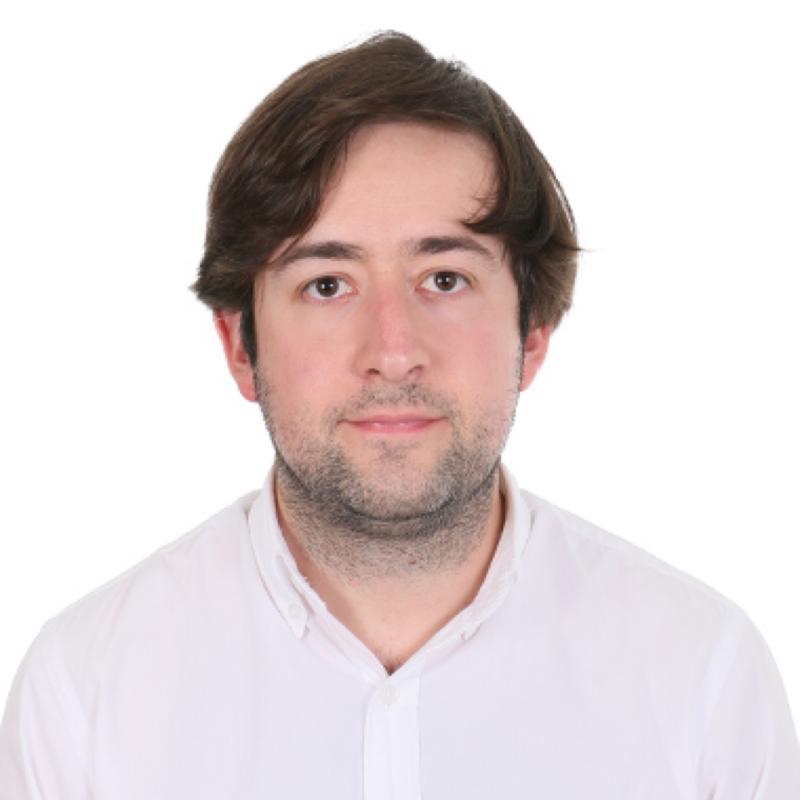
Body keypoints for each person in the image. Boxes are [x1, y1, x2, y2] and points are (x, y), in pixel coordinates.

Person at [1, 31, 798, 799]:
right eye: (327, 285)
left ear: (533, 333)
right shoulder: (84, 694)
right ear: (240, 345)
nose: (392, 351)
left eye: (444, 279)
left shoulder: (704, 683)